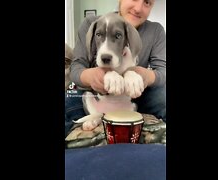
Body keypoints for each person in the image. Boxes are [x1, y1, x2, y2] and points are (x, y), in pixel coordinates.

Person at [65, 0, 166, 138]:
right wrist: (92, 76)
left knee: (162, 96)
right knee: (71, 94)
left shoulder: (156, 31)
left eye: (147, 2)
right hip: (95, 96)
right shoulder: (91, 23)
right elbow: (75, 69)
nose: (138, 8)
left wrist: (141, 74)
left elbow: (162, 72)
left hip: (134, 97)